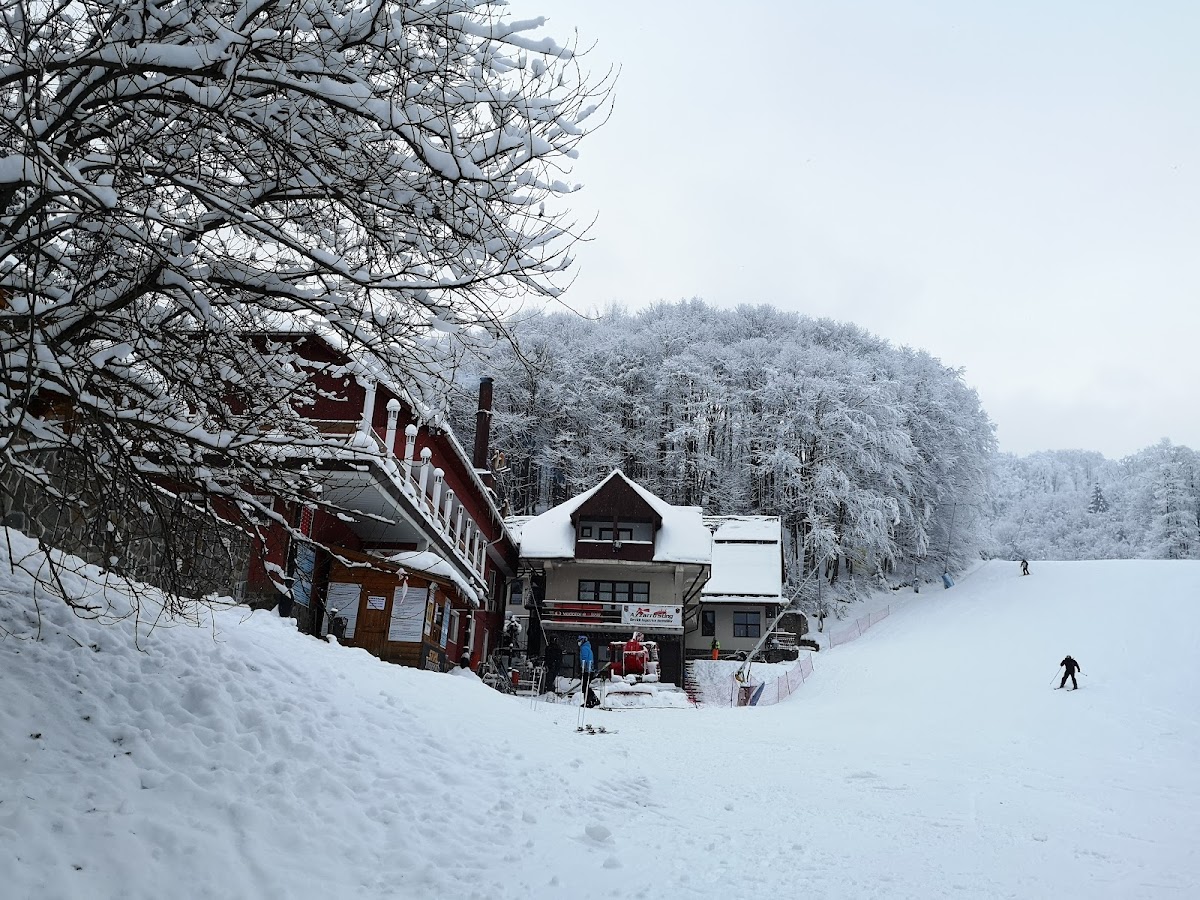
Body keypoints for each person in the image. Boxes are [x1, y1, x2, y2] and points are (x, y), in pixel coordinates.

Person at [578, 634, 594, 699]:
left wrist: (583, 668)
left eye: (580, 640)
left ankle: (592, 699)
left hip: (587, 670)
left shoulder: (584, 648)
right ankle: (588, 700)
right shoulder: (588, 648)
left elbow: (584, 659)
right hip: (589, 669)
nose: (578, 642)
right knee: (586, 686)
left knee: (585, 686)